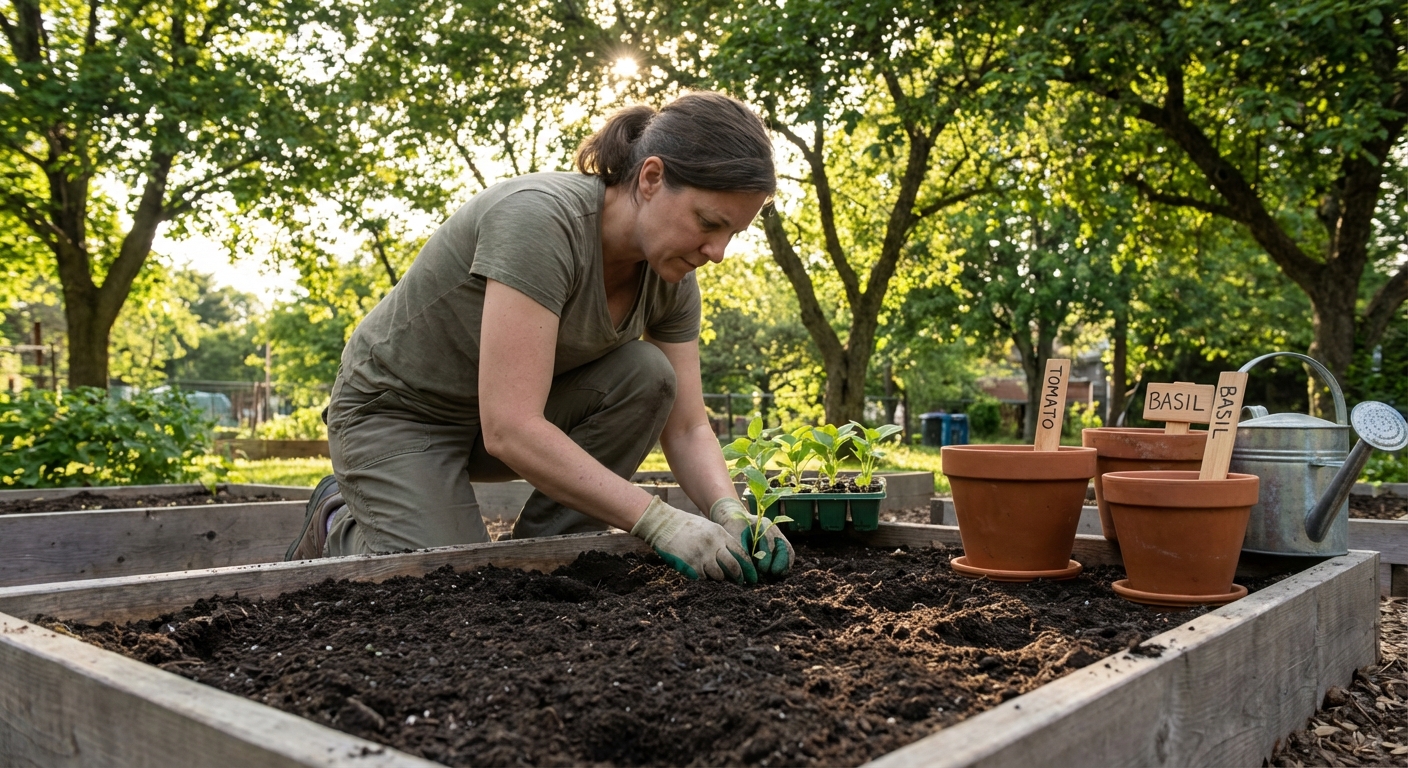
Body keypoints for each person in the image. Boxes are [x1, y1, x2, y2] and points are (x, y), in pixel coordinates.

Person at [285, 91, 792, 583]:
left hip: (493, 427)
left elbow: (686, 427)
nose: (718, 251)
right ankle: (337, 523)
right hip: (397, 414)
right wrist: (659, 522)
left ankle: (543, 560)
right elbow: (510, 425)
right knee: (451, 580)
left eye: (732, 235)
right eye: (709, 223)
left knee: (649, 374)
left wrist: (729, 511)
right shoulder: (540, 221)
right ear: (652, 177)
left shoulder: (670, 275)